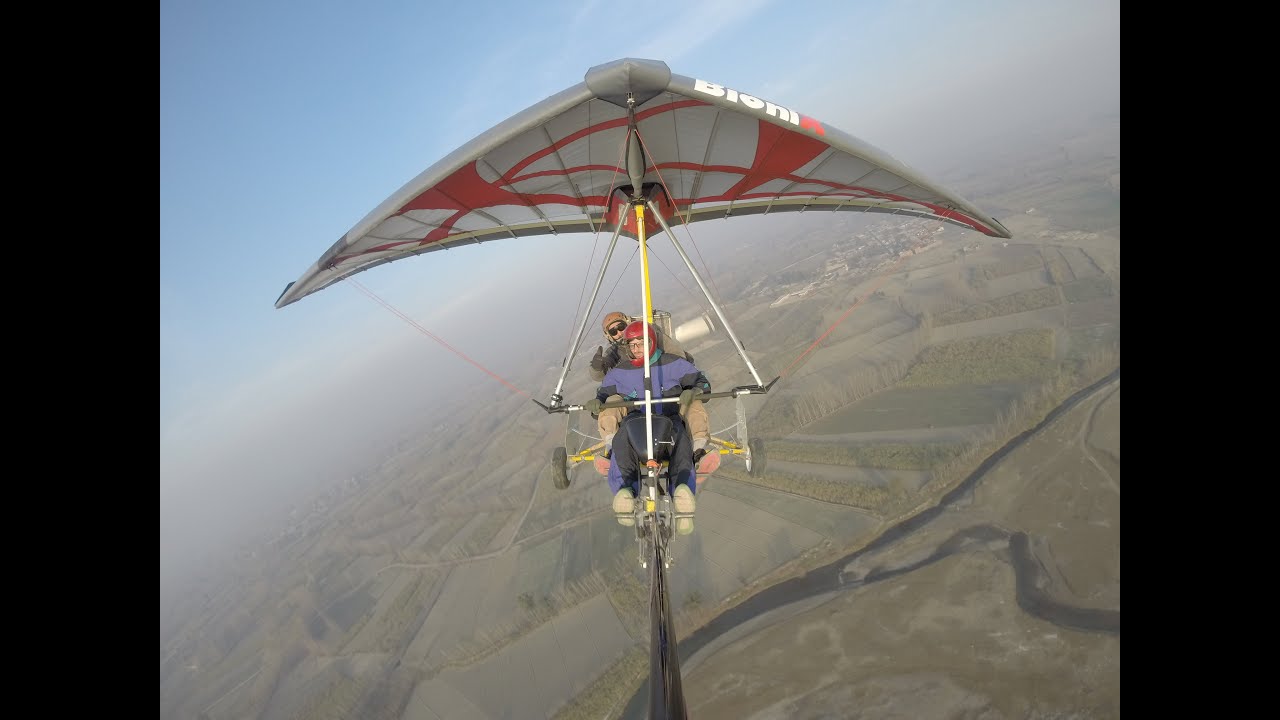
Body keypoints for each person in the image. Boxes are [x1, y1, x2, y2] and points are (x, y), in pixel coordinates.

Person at [584, 321, 711, 534]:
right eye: (632, 345)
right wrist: (597, 404)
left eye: (641, 343)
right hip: (636, 424)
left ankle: (685, 484)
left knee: (682, 436)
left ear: (651, 342)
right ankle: (624, 489)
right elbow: (603, 395)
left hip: (668, 419)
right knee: (618, 427)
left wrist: (696, 391)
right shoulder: (620, 372)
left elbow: (702, 382)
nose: (636, 349)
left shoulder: (673, 364)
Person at [589, 311, 710, 460]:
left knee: (692, 402)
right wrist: (596, 368)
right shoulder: (614, 353)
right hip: (634, 399)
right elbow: (603, 379)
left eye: (621, 327)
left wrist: (688, 385)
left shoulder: (655, 337)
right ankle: (612, 450)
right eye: (614, 331)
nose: (619, 333)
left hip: (664, 389)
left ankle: (699, 450)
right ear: (609, 336)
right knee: (611, 402)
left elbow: (677, 361)